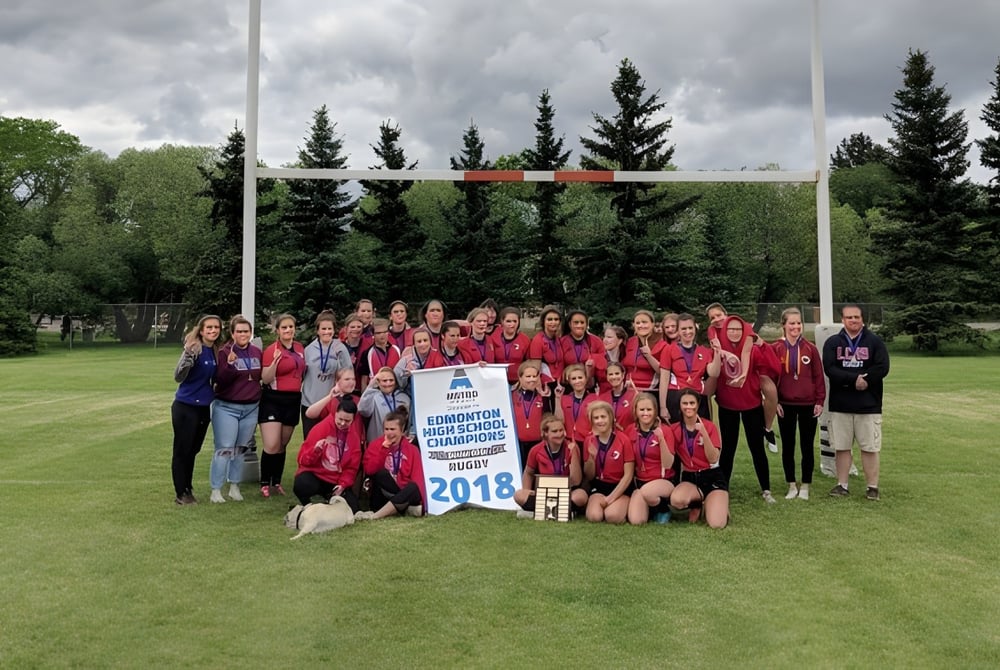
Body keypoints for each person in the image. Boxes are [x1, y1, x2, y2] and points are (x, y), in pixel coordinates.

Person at [822, 304, 890, 500]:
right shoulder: (833, 343)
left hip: (869, 405)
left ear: (862, 319)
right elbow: (830, 368)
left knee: (870, 447)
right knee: (841, 447)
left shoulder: (874, 341)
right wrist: (853, 380)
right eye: (849, 317)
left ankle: (872, 487)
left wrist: (866, 380)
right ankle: (841, 485)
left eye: (856, 317)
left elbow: (882, 367)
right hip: (840, 405)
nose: (853, 320)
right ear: (842, 320)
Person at [713, 315, 781, 504]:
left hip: (751, 405)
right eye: (730, 329)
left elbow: (774, 367)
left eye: (738, 329)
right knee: (728, 449)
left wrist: (761, 343)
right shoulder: (719, 348)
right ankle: (723, 488)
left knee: (757, 448)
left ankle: (766, 489)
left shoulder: (751, 350)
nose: (734, 333)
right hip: (728, 406)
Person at [707, 303, 780, 451]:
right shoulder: (713, 330)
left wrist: (744, 375)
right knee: (706, 389)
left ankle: (767, 428)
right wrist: (728, 355)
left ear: (726, 315)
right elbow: (718, 350)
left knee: (769, 387)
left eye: (719, 315)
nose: (716, 319)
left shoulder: (743, 328)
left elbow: (747, 353)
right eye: (712, 317)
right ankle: (706, 436)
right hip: (726, 379)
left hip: (749, 373)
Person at [771, 307, 825, 500]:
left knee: (807, 445)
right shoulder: (775, 348)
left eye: (798, 323)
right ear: (783, 325)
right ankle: (791, 484)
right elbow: (769, 379)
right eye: (791, 323)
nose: (795, 326)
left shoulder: (810, 348)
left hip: (808, 404)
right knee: (788, 445)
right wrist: (773, 401)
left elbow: (818, 377)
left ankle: (806, 485)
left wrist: (819, 401)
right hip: (784, 404)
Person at [210, 315, 262, 503]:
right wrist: (230, 365)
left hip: (251, 407)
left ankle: (234, 486)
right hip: (227, 407)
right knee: (224, 448)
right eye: (239, 331)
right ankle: (216, 489)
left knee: (241, 449)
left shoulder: (256, 351)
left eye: (246, 331)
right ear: (232, 333)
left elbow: (259, 376)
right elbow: (220, 381)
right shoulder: (224, 352)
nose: (243, 334)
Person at [170, 314, 221, 505]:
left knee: (194, 449)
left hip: (203, 407)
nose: (213, 331)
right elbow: (178, 376)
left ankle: (187, 487)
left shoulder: (215, 350)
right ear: (201, 330)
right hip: (186, 406)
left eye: (216, 327)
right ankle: (181, 492)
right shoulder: (194, 348)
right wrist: (187, 362)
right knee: (182, 450)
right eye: (209, 328)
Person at [259, 313, 305, 498]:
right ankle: (264, 482)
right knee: (271, 444)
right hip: (273, 399)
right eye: (284, 327)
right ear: (277, 330)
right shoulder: (272, 350)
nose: (288, 330)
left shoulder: (301, 348)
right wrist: (275, 362)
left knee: (282, 445)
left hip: (293, 400)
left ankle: (276, 481)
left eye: (291, 327)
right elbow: (265, 379)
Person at [669, 389, 728, 529]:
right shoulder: (674, 429)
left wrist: (704, 434)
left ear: (698, 404)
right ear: (680, 405)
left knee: (717, 524)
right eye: (685, 403)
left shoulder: (709, 426)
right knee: (677, 500)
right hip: (690, 477)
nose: (688, 407)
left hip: (712, 476)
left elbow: (713, 459)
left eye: (691, 403)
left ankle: (713, 502)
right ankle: (697, 503)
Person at [292, 396, 364, 512]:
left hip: (334, 481)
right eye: (340, 419)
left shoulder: (354, 437)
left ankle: (329, 503)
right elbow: (302, 460)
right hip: (315, 475)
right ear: (335, 414)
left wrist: (343, 484)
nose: (342, 423)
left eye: (347, 421)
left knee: (354, 508)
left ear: (353, 419)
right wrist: (315, 451)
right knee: (301, 485)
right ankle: (308, 506)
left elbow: (352, 468)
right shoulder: (320, 429)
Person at [514, 415, 587, 517]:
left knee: (581, 496)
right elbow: (528, 472)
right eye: (555, 431)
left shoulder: (571, 447)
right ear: (545, 433)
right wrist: (527, 490)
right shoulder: (536, 450)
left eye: (561, 430)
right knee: (518, 495)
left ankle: (539, 512)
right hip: (545, 493)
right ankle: (563, 512)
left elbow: (576, 480)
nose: (559, 434)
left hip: (565, 493)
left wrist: (573, 454)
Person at [357, 410, 425, 519]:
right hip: (383, 492)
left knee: (414, 487)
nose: (389, 433)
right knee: (381, 474)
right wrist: (384, 449)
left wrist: (421, 501)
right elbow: (369, 470)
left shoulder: (412, 450)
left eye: (393, 429)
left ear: (402, 431)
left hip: (404, 491)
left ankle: (383, 513)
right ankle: (403, 507)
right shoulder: (375, 445)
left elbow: (417, 477)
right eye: (386, 429)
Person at [626, 393, 677, 525]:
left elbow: (668, 464)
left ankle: (663, 508)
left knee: (647, 493)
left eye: (649, 410)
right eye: (641, 410)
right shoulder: (630, 430)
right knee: (637, 521)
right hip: (641, 482)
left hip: (663, 480)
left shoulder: (665, 430)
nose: (645, 413)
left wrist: (661, 439)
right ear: (635, 411)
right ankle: (652, 510)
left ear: (655, 411)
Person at [658, 313, 720, 424]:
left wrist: (717, 352)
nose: (688, 332)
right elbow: (664, 379)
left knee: (700, 435)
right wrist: (663, 407)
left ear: (695, 328)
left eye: (690, 328)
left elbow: (713, 373)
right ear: (678, 330)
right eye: (683, 329)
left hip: (698, 398)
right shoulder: (669, 350)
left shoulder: (704, 351)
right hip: (676, 396)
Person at [301, 309, 352, 439]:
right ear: (317, 331)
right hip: (310, 402)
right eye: (323, 329)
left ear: (334, 330)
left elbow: (348, 374)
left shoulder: (340, 348)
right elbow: (302, 375)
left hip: (332, 403)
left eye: (329, 329)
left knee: (331, 442)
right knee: (311, 441)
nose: (326, 332)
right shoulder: (309, 350)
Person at [582, 401, 635, 523]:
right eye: (596, 418)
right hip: (600, 486)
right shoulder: (589, 440)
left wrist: (610, 499)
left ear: (610, 418)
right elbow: (589, 476)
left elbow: (628, 475)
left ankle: (623, 505)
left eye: (603, 417)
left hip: (620, 486)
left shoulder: (623, 440)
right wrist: (591, 457)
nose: (600, 421)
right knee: (594, 517)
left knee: (613, 517)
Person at [511, 360, 554, 465]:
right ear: (520, 378)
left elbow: (548, 418)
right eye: (528, 376)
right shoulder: (511, 395)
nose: (532, 379)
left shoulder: (544, 396)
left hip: (539, 444)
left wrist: (545, 399)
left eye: (535, 376)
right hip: (517, 445)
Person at [359, 366, 412, 442]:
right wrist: (371, 386)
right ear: (378, 382)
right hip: (378, 442)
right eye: (384, 380)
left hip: (399, 442)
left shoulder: (404, 398)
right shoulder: (373, 396)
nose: (388, 383)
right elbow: (363, 410)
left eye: (391, 380)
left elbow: (409, 421)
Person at [560, 309, 605, 391]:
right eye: (576, 322)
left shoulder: (596, 341)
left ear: (587, 324)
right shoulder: (561, 342)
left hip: (590, 386)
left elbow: (602, 364)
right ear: (570, 324)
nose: (579, 325)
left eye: (582, 322)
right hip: (567, 386)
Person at [554, 363, 597, 444]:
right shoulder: (564, 399)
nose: (577, 381)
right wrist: (557, 398)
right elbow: (559, 421)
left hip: (588, 440)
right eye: (574, 379)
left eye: (580, 377)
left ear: (585, 378)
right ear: (569, 381)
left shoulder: (595, 398)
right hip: (569, 441)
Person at [623, 309, 665, 392]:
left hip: (651, 391)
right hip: (629, 389)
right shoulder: (631, 341)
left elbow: (664, 372)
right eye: (637, 323)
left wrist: (649, 356)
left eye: (644, 322)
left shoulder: (661, 343)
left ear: (652, 324)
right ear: (633, 325)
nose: (641, 325)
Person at [490, 306, 531, 385]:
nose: (512, 324)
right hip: (497, 380)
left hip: (518, 381)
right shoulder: (492, 338)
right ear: (502, 321)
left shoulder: (525, 340)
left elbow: (529, 363)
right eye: (508, 321)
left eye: (515, 321)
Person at [528, 305, 565, 388]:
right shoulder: (538, 340)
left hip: (559, 383)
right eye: (549, 319)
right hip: (545, 384)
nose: (553, 322)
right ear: (543, 321)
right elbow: (535, 369)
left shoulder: (558, 339)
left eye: (556, 319)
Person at [359, 318, 401, 388]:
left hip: (395, 389)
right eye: (378, 333)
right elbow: (364, 379)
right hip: (376, 390)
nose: (382, 335)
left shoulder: (396, 349)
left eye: (385, 332)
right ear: (373, 334)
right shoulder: (367, 353)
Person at [599, 361, 636, 431]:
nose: (614, 377)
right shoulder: (602, 399)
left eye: (617, 373)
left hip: (629, 437)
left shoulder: (634, 396)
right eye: (610, 374)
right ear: (607, 377)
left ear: (623, 375)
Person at [597, 325, 627, 393]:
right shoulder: (598, 357)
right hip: (604, 397)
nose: (605, 340)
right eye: (604, 337)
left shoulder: (627, 357)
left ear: (620, 341)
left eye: (609, 337)